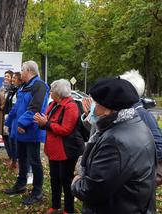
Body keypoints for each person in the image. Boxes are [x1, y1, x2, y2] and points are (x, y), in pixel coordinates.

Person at [71, 77, 156, 213]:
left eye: (95, 103)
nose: (91, 106)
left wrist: (76, 183)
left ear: (107, 109)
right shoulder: (134, 123)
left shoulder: (115, 143)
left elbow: (92, 191)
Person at [34, 79, 84, 214]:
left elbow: (65, 129)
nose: (50, 92)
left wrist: (46, 123)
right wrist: (41, 121)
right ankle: (55, 206)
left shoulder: (71, 106)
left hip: (67, 150)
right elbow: (47, 121)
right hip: (54, 149)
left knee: (66, 180)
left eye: (52, 90)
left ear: (59, 93)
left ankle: (68, 209)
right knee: (54, 178)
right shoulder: (54, 103)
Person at [4, 61, 49, 205]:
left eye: (22, 70)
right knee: (22, 158)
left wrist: (22, 123)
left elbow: (36, 108)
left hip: (31, 130)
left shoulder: (40, 85)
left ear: (29, 71)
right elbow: (17, 107)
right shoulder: (24, 87)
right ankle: (21, 184)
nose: (20, 73)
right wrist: (8, 122)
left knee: (34, 160)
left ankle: (37, 191)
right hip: (20, 131)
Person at [120, 69, 162, 160]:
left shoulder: (142, 114)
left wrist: (133, 162)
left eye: (120, 88)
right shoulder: (124, 111)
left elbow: (159, 148)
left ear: (129, 91)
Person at [3, 72, 23, 169]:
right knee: (10, 139)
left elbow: (17, 106)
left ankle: (17, 161)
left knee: (15, 141)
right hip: (11, 118)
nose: (12, 80)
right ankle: (13, 160)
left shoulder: (20, 90)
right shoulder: (13, 90)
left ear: (20, 79)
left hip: (17, 119)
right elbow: (9, 104)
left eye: (14, 78)